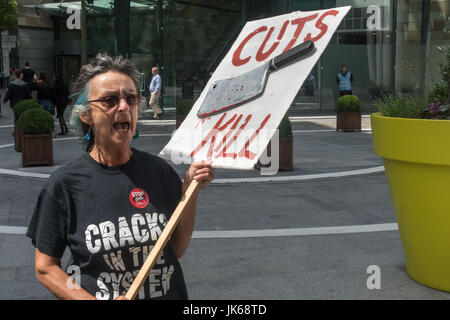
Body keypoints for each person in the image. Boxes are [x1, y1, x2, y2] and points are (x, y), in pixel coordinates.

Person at [26, 53, 214, 300]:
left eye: (131, 98)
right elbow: (45, 268)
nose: (124, 107)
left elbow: (174, 249)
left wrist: (190, 190)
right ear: (86, 114)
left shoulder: (160, 172)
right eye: (110, 100)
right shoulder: (64, 185)